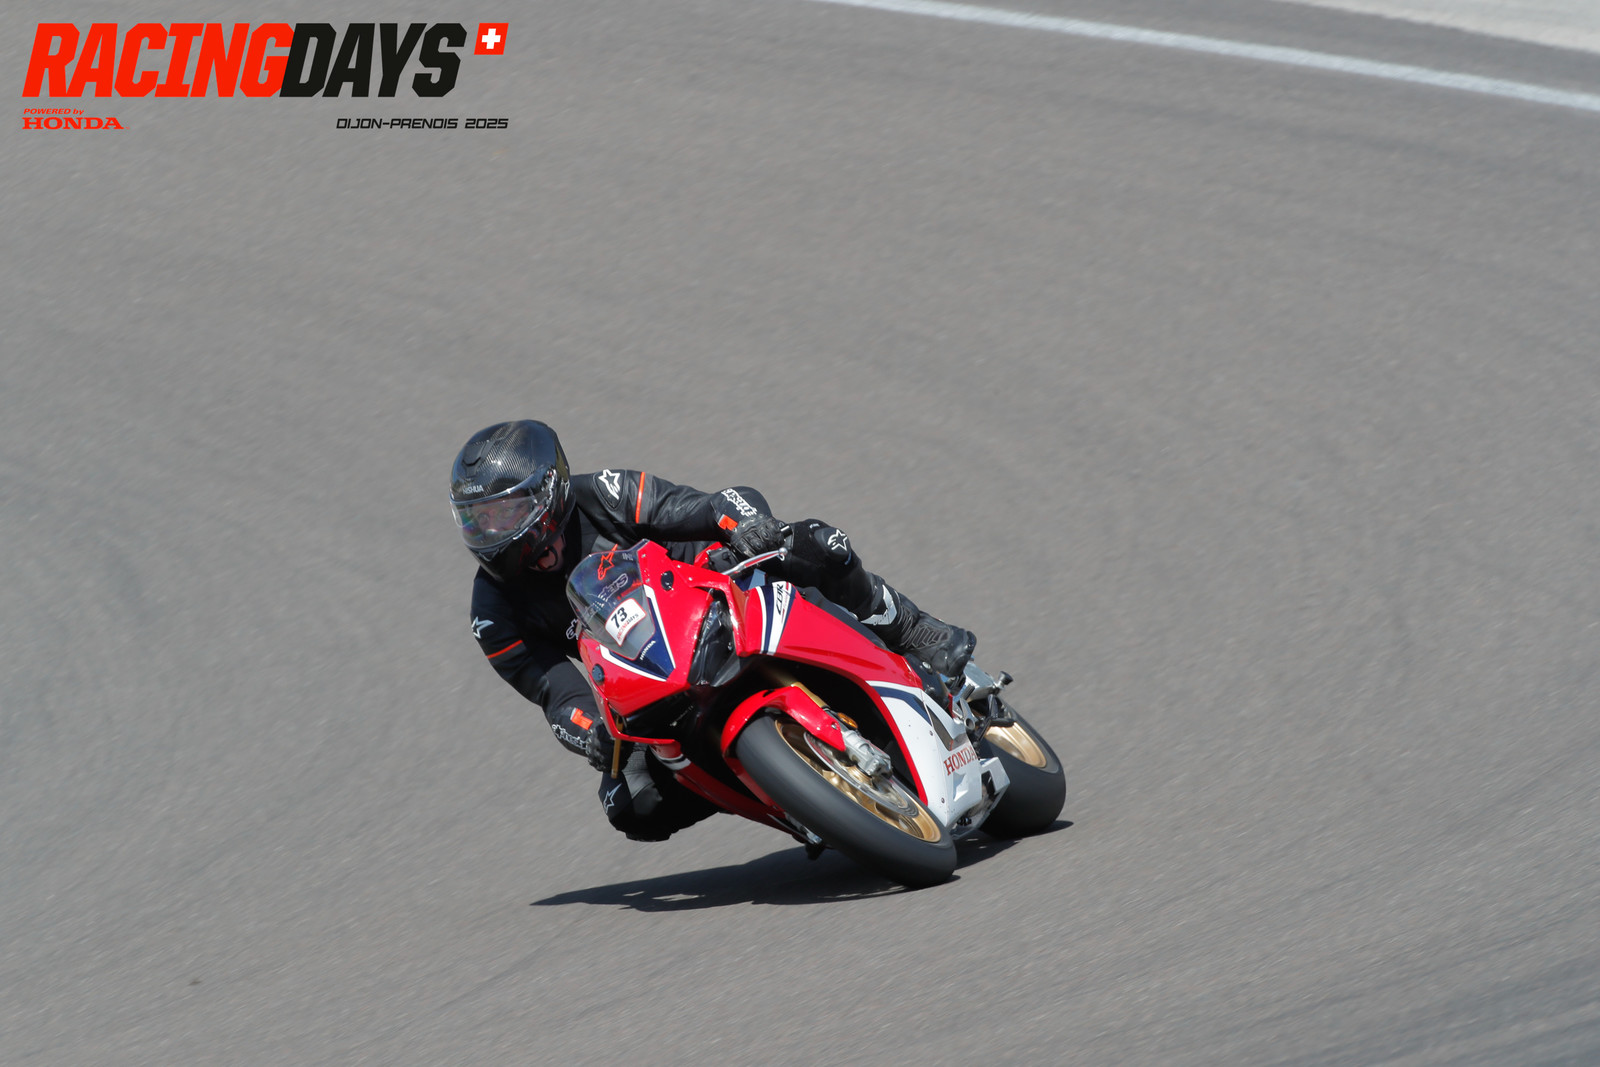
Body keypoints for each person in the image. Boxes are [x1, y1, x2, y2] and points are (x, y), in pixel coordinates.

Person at [452, 419, 975, 842]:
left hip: (717, 594)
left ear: (549, 491)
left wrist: (747, 526)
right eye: (478, 520)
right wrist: (591, 731)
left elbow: (708, 505)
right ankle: (783, 793)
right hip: (649, 677)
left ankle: (912, 630)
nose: (492, 531)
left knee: (816, 544)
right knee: (630, 805)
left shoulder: (604, 493)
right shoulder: (492, 612)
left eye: (506, 512)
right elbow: (555, 693)